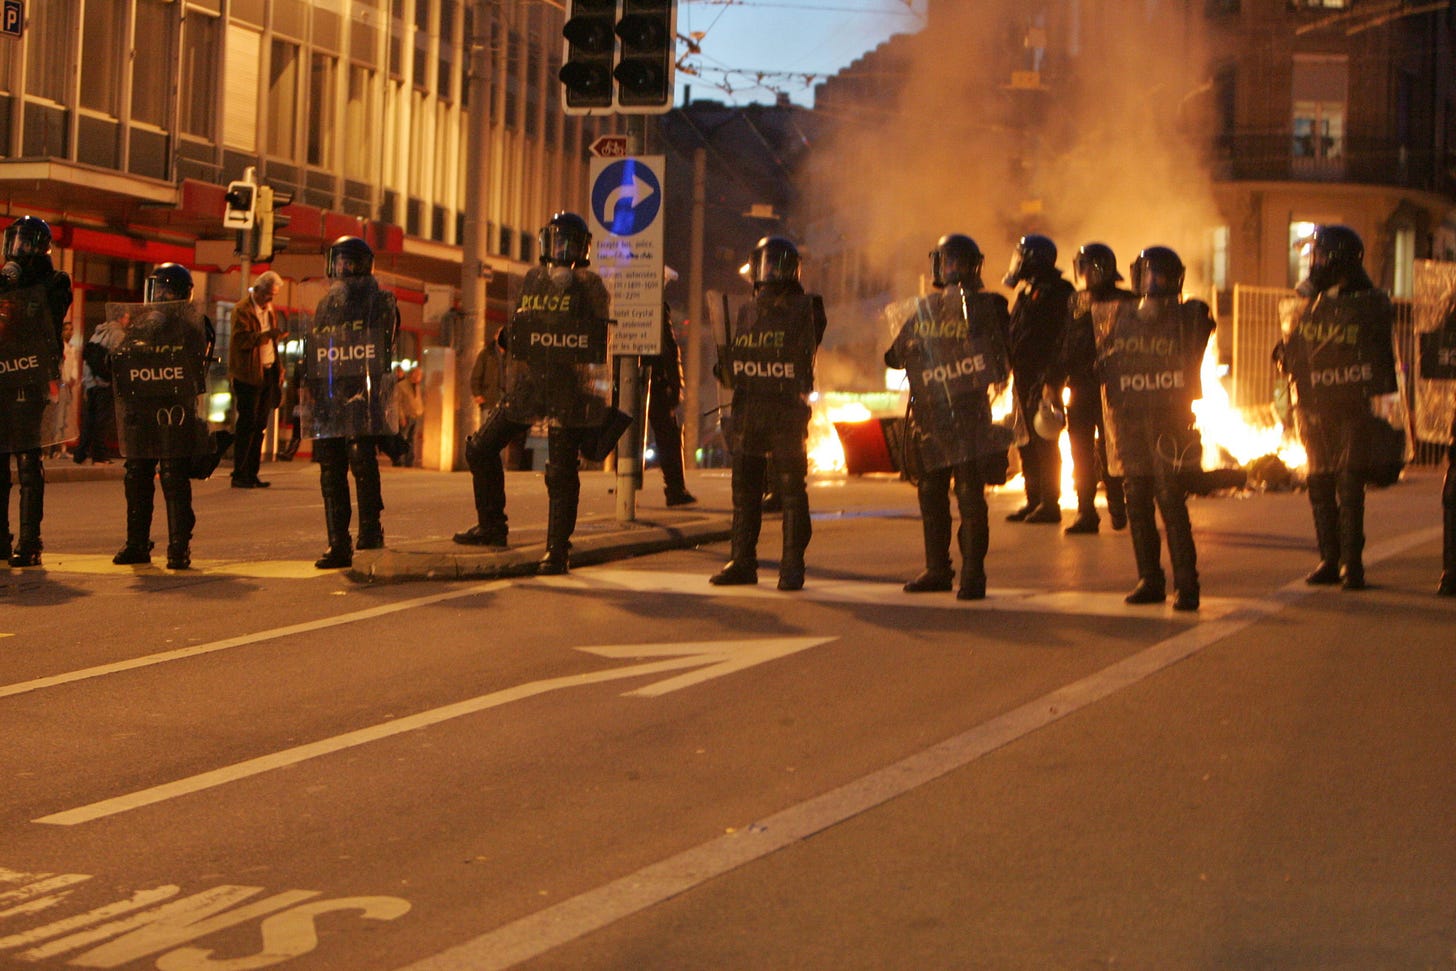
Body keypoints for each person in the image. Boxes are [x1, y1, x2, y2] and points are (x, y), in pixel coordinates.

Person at [453, 212, 612, 575]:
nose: (560, 250)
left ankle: (557, 549)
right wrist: (510, 339)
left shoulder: (590, 286)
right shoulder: (533, 279)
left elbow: (594, 340)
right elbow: (519, 327)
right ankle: (492, 526)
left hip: (568, 385)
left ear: (582, 247)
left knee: (559, 470)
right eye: (555, 241)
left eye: (568, 243)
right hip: (531, 381)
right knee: (479, 447)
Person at [1083, 246, 1213, 611]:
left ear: (1176, 279)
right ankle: (1150, 579)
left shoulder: (1188, 315)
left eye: (1161, 275)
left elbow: (1201, 325)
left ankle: (1187, 586)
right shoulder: (1123, 318)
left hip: (1169, 420)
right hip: (1130, 420)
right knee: (1137, 504)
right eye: (1147, 274)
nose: (1153, 282)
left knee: (1171, 504)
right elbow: (1107, 355)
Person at [884, 234, 1011, 600]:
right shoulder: (926, 308)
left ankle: (973, 575)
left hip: (969, 413)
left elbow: (1003, 358)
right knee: (931, 493)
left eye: (958, 262)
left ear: (972, 266)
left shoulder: (990, 306)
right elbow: (894, 355)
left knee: (970, 495)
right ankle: (938, 569)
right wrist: (909, 349)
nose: (952, 269)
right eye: (947, 262)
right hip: (932, 418)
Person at [1274, 224, 1398, 591]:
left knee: (1348, 480)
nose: (1315, 263)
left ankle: (1352, 565)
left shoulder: (1368, 301)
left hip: (1350, 404)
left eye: (1321, 255)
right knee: (1320, 481)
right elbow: (1291, 349)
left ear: (1338, 257)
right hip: (1316, 404)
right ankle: (1330, 557)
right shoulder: (1312, 301)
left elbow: (1377, 352)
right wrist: (1287, 343)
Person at [708, 235, 826, 591]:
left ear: (792, 270)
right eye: (766, 265)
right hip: (750, 407)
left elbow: (806, 344)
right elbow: (739, 352)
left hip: (785, 410)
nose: (771, 272)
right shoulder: (745, 310)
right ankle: (742, 561)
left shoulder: (807, 308)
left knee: (791, 490)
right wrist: (726, 368)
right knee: (744, 491)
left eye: (778, 265)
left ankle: (793, 565)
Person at [109, 263, 214, 570]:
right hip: (142, 406)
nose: (161, 296)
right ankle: (136, 543)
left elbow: (196, 365)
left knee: (173, 474)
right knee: (137, 473)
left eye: (167, 290)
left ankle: (179, 547)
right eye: (157, 290)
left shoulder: (194, 323)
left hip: (174, 408)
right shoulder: (141, 325)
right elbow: (124, 358)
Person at [304, 236, 400, 569]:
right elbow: (316, 345)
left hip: (363, 391)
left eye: (348, 262)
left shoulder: (379, 301)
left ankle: (371, 532)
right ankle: (337, 542)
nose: (341, 269)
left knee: (361, 458)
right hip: (331, 393)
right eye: (337, 262)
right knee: (330, 465)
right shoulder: (326, 305)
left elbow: (384, 347)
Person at [0, 215, 73, 567]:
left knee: (28, 460)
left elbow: (49, 310)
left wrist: (20, 277)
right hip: (2, 375)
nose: (18, 249)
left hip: (30, 376)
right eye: (14, 241)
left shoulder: (56, 281)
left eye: (26, 242)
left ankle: (30, 541)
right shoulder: (4, 282)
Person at [1047, 242, 1131, 534]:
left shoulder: (1125, 301)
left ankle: (1118, 503)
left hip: (1112, 387)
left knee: (1111, 449)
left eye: (1090, 268)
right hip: (1080, 387)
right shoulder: (1076, 302)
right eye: (1082, 267)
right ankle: (1086, 511)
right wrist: (1052, 383)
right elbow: (1064, 344)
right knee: (1080, 451)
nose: (1086, 274)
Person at [1003, 234, 1074, 524]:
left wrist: (1052, 379)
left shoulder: (1059, 292)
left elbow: (1063, 338)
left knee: (1045, 438)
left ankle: (1050, 503)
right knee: (1025, 440)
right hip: (1023, 375)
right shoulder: (1027, 291)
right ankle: (1033, 499)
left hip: (1045, 376)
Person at [229, 270, 286, 489]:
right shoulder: (242, 309)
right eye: (268, 295)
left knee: (260, 423)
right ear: (258, 289)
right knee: (247, 423)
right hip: (248, 374)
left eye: (273, 296)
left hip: (268, 371)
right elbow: (241, 339)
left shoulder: (269, 310)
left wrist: (278, 367)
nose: (270, 300)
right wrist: (266, 337)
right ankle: (240, 472)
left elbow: (272, 343)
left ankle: (252, 473)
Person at [645, 299, 696, 506]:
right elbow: (669, 351)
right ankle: (675, 489)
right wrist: (675, 386)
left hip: (632, 377)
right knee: (668, 435)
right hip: (657, 380)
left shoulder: (624, 299)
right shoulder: (656, 305)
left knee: (627, 430)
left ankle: (625, 482)